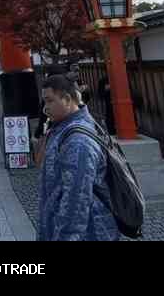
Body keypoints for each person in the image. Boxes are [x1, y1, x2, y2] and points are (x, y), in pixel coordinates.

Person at [38, 74, 119, 241]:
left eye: (49, 101)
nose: (45, 108)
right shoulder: (63, 128)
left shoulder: (78, 141)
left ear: (67, 99)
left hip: (90, 232)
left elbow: (76, 200)